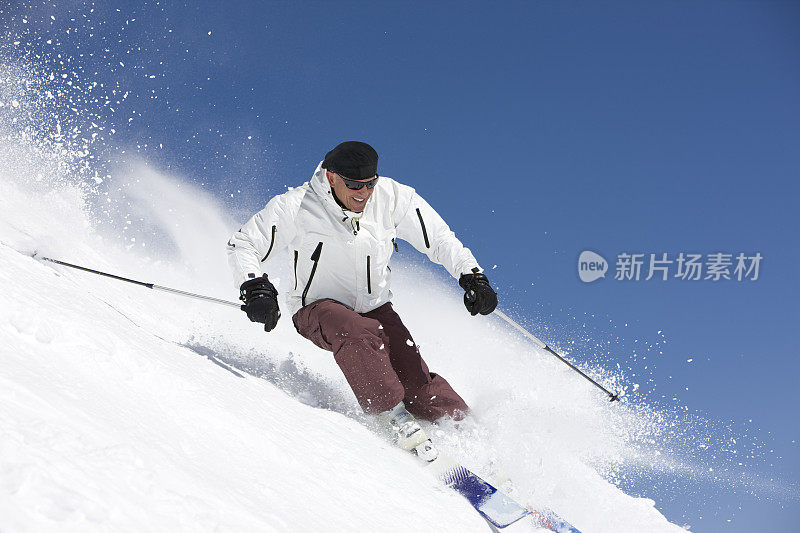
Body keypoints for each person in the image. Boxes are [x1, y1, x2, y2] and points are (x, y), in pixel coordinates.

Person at [226, 141, 497, 456]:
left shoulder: (393, 198)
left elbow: (438, 238)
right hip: (317, 308)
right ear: (331, 178)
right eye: (354, 185)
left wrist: (471, 275)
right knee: (356, 332)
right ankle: (392, 419)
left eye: (370, 184)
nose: (364, 193)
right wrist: (254, 285)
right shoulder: (297, 205)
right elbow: (244, 243)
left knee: (418, 384)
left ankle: (471, 438)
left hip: (375, 308)